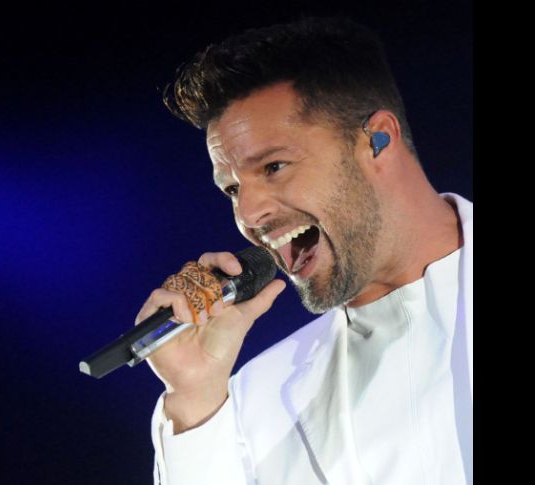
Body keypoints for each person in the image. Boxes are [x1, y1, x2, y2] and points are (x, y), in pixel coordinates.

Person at [133, 17, 472, 485]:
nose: (248, 214)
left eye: (274, 166)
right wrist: (193, 398)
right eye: (232, 189)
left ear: (378, 140)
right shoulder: (254, 401)